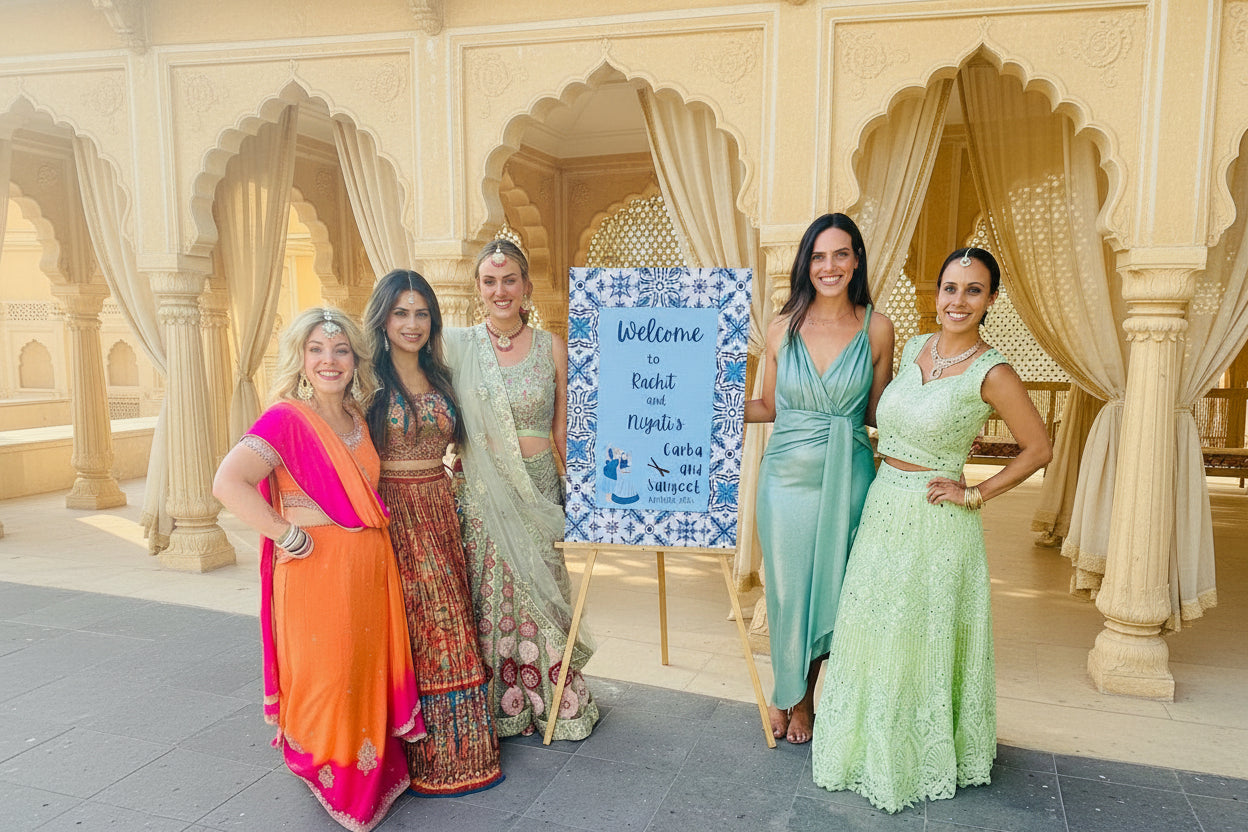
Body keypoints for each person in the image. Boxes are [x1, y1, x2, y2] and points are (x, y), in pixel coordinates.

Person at [810, 247, 1052, 812]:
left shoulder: (993, 372)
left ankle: (917, 754)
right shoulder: (916, 346)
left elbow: (1039, 447)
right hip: (882, 505)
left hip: (938, 521)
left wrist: (975, 492)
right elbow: (879, 413)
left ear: (991, 300)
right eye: (950, 288)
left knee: (918, 635)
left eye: (973, 290)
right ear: (937, 294)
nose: (958, 300)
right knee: (870, 629)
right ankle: (862, 745)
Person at [212, 307, 424, 832]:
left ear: (355, 359)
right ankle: (329, 767)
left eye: (340, 350)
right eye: (317, 350)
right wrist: (283, 532)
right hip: (314, 569)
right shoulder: (286, 418)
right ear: (301, 359)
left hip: (368, 570)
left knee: (361, 669)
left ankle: (369, 761)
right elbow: (227, 482)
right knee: (326, 675)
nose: (329, 360)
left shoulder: (358, 415)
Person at [745, 213, 894, 745]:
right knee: (786, 591)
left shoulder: (877, 327)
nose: (829, 266)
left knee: (832, 588)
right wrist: (712, 404)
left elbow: (880, 411)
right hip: (785, 477)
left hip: (850, 474)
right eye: (819, 256)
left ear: (856, 260)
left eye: (841, 254)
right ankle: (789, 691)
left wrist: (935, 418)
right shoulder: (781, 327)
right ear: (806, 263)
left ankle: (805, 695)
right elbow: (767, 404)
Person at [443, 238, 599, 740]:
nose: (500, 290)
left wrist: (585, 499)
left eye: (510, 280)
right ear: (478, 289)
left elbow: (564, 434)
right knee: (488, 597)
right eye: (490, 281)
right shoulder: (458, 347)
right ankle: (497, 702)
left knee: (542, 593)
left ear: (527, 286)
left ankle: (551, 698)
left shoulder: (554, 346)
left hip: (537, 490)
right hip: (482, 494)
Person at [363, 270, 504, 796]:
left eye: (422, 313)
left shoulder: (442, 375)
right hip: (394, 516)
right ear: (383, 317)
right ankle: (424, 757)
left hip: (443, 509)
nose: (412, 323)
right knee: (422, 625)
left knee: (452, 619)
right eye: (401, 312)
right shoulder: (366, 383)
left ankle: (465, 753)